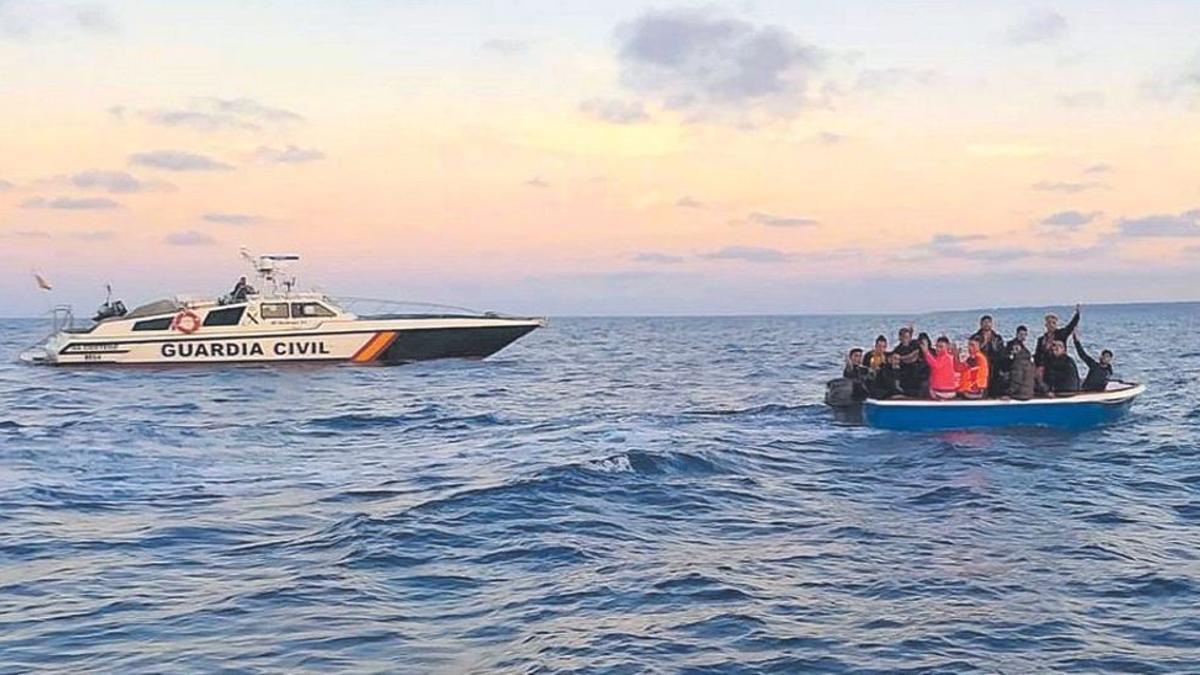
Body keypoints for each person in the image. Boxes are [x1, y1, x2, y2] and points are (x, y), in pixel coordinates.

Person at [969, 314, 1006, 396]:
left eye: (988, 322)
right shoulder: (975, 337)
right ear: (981, 324)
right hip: (980, 364)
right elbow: (972, 351)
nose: (987, 324)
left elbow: (1001, 351)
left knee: (995, 382)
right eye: (984, 322)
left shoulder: (997, 337)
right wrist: (983, 343)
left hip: (994, 364)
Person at [1035, 304, 1081, 368]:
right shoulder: (1041, 339)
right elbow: (1037, 355)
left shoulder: (1061, 334)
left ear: (1056, 324)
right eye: (1049, 322)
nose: (1051, 325)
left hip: (1060, 366)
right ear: (1046, 325)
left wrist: (1077, 314)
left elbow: (1071, 326)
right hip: (1047, 367)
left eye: (1053, 323)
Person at [921, 336, 959, 400]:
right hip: (942, 390)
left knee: (924, 387)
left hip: (944, 391)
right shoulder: (942, 358)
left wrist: (926, 352)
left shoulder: (947, 357)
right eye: (937, 346)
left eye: (941, 347)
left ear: (947, 347)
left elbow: (936, 366)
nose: (938, 349)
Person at [1006, 325, 1035, 400]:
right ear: (1017, 334)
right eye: (1021, 334)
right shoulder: (1013, 345)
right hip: (1016, 371)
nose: (1023, 337)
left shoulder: (1023, 347)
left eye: (1025, 335)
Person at [893, 326, 923, 396]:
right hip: (905, 375)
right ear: (900, 338)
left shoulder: (914, 344)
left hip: (916, 373)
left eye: (908, 337)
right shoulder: (898, 349)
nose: (906, 339)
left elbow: (913, 357)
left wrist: (901, 358)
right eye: (904, 337)